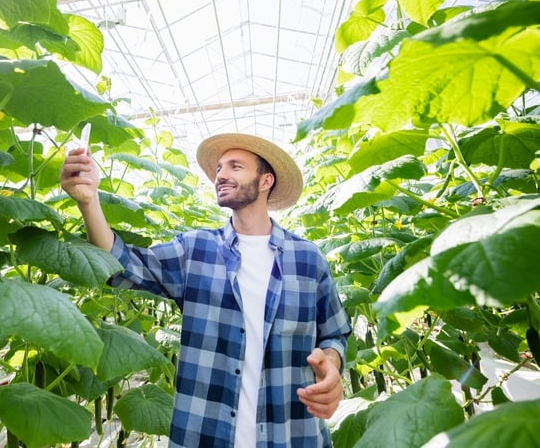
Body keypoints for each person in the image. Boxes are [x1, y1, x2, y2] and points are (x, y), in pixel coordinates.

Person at [60, 132, 352, 447]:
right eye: (219, 169)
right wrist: (89, 201)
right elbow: (120, 264)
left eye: (235, 167)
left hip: (291, 435)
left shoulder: (307, 259)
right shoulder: (195, 250)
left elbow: (334, 333)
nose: (221, 175)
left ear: (266, 181)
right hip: (205, 434)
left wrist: (331, 365)